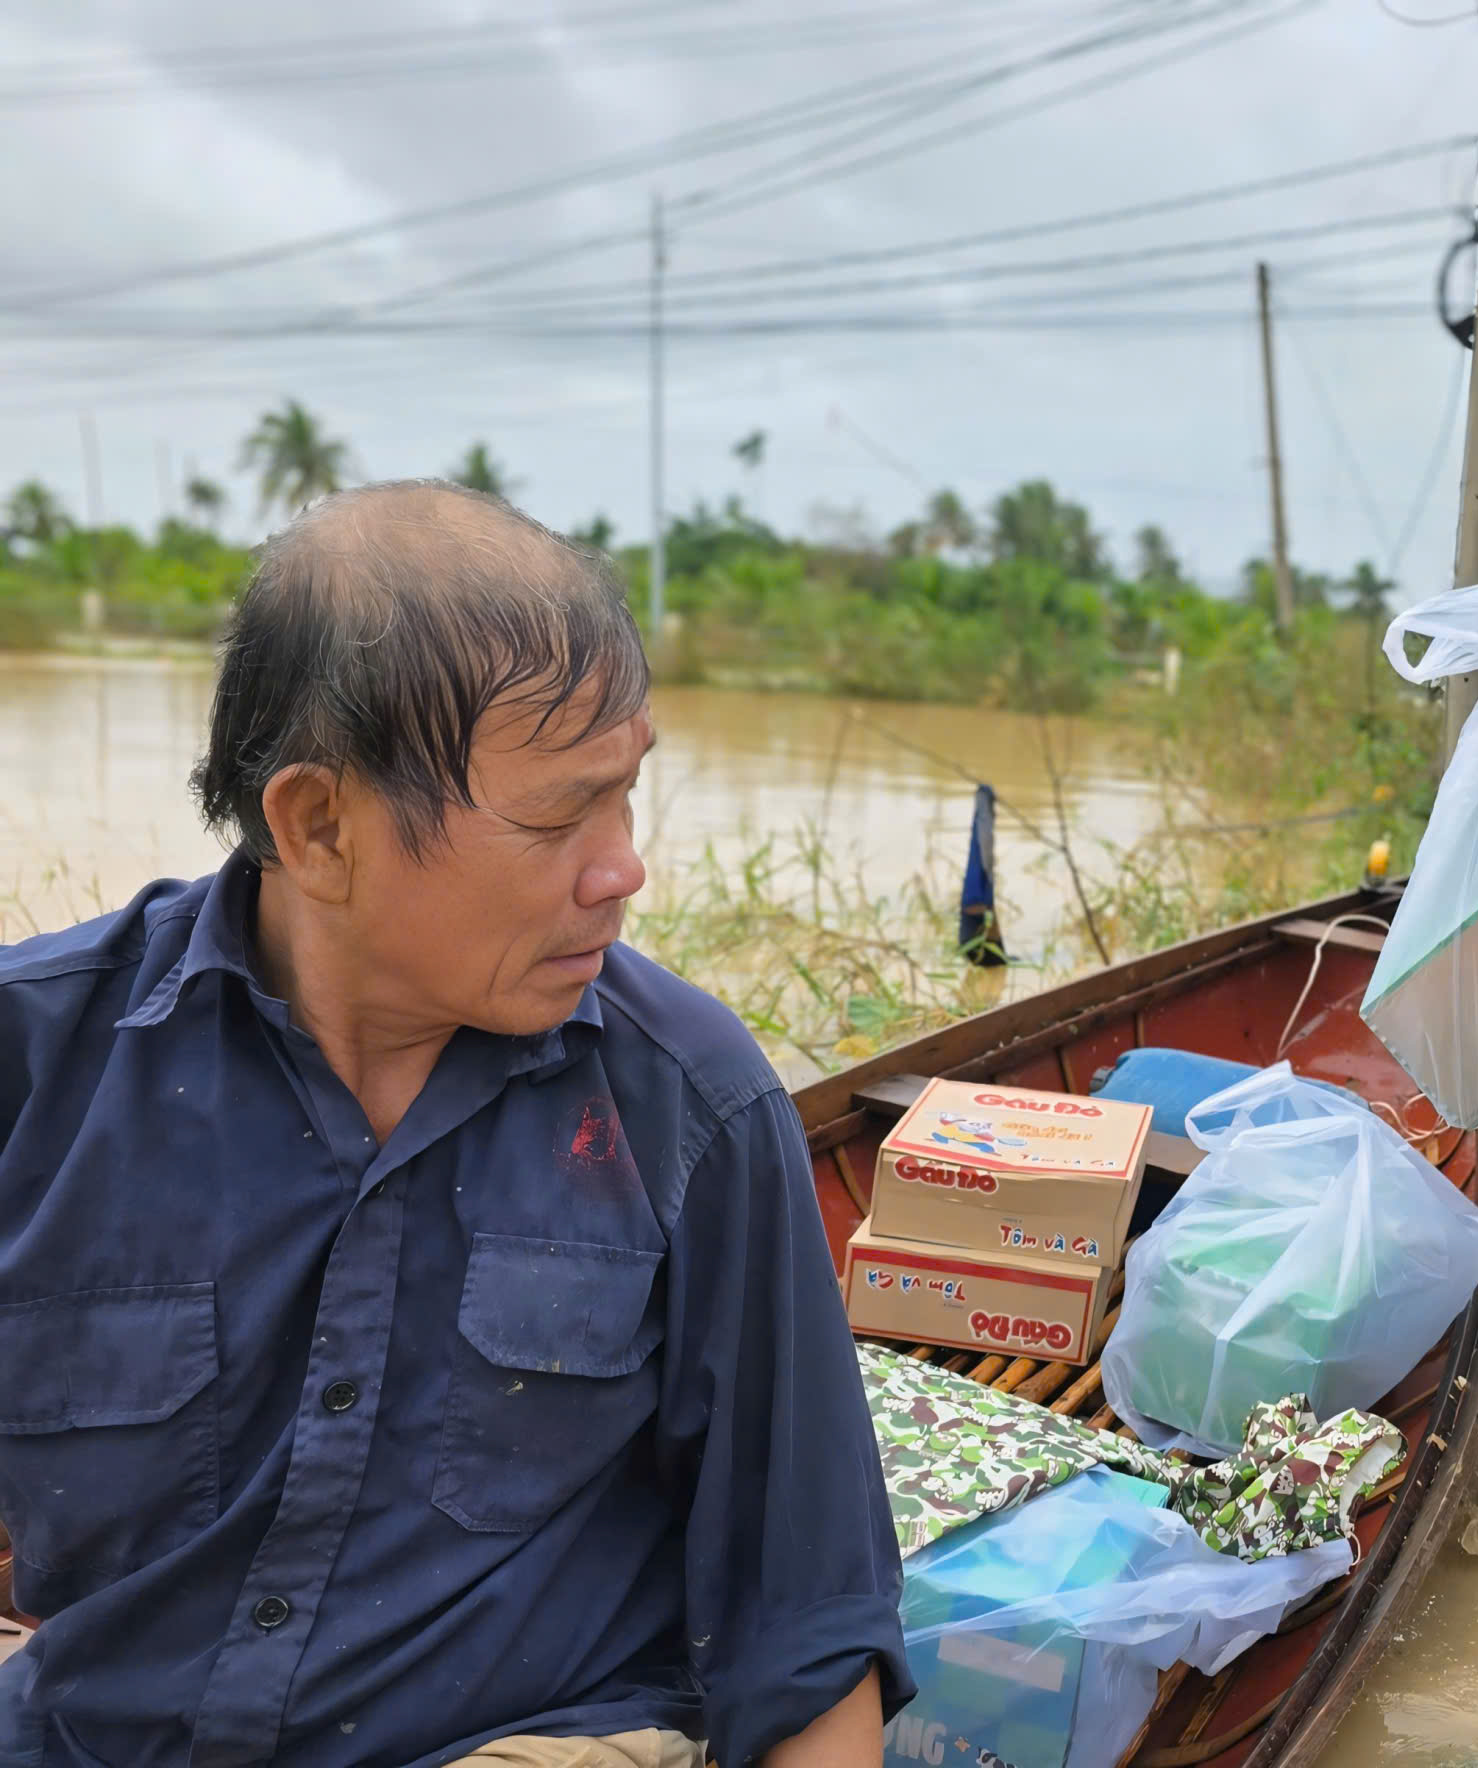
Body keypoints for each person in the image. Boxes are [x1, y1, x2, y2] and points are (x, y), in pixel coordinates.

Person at [0, 483, 908, 1767]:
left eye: (625, 794)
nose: (623, 869)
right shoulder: (37, 1066)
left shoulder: (688, 1104)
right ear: (319, 827)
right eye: (556, 816)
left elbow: (807, 1638)